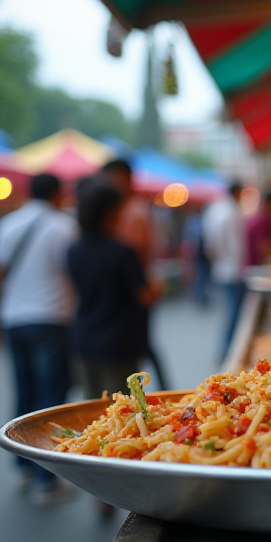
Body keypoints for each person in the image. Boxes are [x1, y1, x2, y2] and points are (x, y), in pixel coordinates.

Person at [0, 173, 77, 504]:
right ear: (58, 194)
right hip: (51, 320)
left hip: (13, 321)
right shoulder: (64, 227)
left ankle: (22, 464)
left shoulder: (8, 224)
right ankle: (44, 480)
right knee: (50, 400)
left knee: (24, 394)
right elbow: (74, 277)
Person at [67, 180, 160, 400]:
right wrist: (159, 287)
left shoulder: (74, 249)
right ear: (110, 212)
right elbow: (144, 295)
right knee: (122, 410)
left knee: (90, 407)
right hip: (118, 344)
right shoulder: (122, 252)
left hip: (83, 340)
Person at [102, 159, 169, 390]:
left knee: (135, 349)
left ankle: (138, 399)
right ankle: (159, 389)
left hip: (133, 292)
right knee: (141, 346)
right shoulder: (124, 209)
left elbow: (135, 255)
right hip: (130, 291)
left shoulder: (133, 212)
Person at [203, 183, 246, 361]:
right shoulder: (231, 213)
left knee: (230, 311)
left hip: (223, 267)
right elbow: (236, 246)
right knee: (234, 313)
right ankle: (229, 351)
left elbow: (210, 244)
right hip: (233, 270)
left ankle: (227, 349)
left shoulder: (216, 210)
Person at [245, 190, 271, 267]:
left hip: (259, 265)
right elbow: (265, 250)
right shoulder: (262, 221)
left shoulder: (265, 219)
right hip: (257, 268)